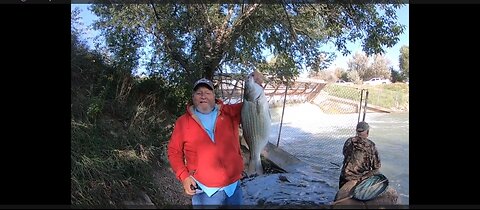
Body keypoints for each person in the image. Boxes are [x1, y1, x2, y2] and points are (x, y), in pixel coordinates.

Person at [167, 74, 262, 208]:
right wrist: (184, 176)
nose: (203, 96)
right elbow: (173, 151)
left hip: (233, 188)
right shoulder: (182, 122)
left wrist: (257, 84)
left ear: (214, 96)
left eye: (207, 92)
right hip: (204, 191)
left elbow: (254, 104)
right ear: (193, 97)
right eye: (199, 93)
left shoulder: (231, 112)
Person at [334, 121, 398, 206]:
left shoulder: (348, 141)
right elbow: (376, 166)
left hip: (345, 176)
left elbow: (344, 153)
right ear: (367, 132)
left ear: (357, 131)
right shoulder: (371, 146)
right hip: (360, 178)